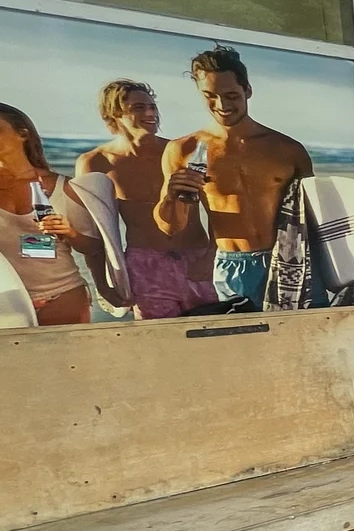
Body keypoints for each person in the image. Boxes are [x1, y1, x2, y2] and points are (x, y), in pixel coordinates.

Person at [156, 46, 311, 309]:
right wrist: (171, 198)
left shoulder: (287, 150)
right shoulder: (183, 150)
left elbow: (314, 218)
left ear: (247, 90)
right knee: (245, 346)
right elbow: (170, 227)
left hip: (289, 260)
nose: (222, 105)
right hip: (232, 265)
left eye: (231, 95)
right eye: (210, 96)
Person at [76, 78, 217, 319]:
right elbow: (95, 231)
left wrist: (211, 255)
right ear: (114, 114)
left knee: (215, 340)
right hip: (145, 265)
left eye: (152, 107)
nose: (150, 113)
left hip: (196, 257)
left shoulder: (180, 151)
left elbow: (218, 206)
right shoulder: (96, 162)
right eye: (138, 108)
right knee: (160, 346)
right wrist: (102, 284)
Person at [0, 102, 103, 326]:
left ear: (22, 134)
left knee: (67, 362)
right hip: (7, 302)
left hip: (62, 296)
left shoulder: (61, 187)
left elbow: (94, 247)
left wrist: (70, 232)